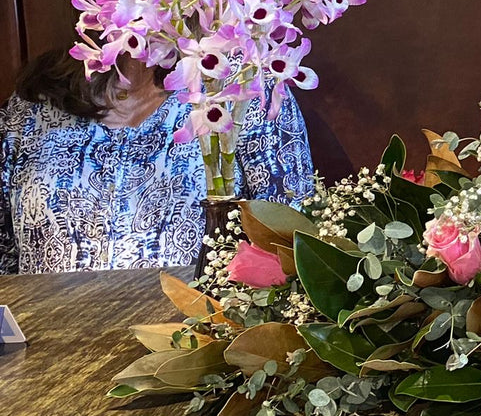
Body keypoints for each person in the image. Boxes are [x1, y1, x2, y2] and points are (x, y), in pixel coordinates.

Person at [0, 48, 313, 416]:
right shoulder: (35, 102)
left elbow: (291, 251)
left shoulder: (245, 88)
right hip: (38, 387)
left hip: (180, 381)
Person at [0, 49, 314, 274]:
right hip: (49, 352)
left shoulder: (242, 86)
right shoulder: (31, 107)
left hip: (189, 350)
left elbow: (291, 246)